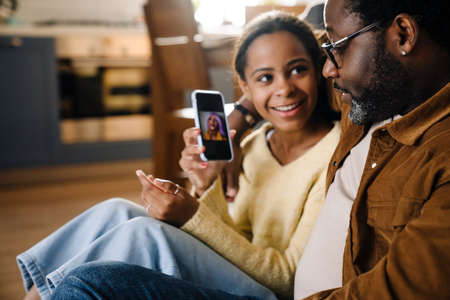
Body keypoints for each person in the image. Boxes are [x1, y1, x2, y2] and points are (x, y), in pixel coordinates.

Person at [52, 0, 450, 299]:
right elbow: (311, 21)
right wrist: (232, 127)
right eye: (326, 51)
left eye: (336, 49)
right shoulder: (368, 102)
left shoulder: (375, 119)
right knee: (116, 212)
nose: (331, 69)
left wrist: (191, 213)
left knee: (108, 266)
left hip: (280, 288)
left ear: (402, 35)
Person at [18, 12, 341, 300]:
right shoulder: (255, 145)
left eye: (298, 70)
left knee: (142, 233)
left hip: (272, 291)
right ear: (245, 87)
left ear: (319, 70)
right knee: (115, 210)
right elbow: (234, 234)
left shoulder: (334, 157)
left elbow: (286, 280)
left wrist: (191, 216)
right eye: (265, 78)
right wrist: (206, 184)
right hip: (238, 272)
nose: (284, 88)